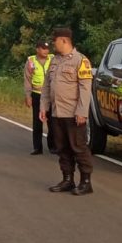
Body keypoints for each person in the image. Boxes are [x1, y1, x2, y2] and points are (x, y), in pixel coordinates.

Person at [39, 27, 95, 195]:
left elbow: (85, 89)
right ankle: (67, 179)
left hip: (73, 114)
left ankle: (86, 182)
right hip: (57, 113)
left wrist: (82, 112)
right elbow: (47, 86)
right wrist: (44, 107)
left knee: (78, 147)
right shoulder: (54, 61)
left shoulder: (81, 60)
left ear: (64, 40)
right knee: (62, 148)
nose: (53, 44)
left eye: (54, 41)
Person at [22, 40, 55, 155]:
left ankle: (53, 146)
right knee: (37, 122)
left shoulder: (53, 59)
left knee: (52, 121)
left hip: (50, 95)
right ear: (37, 49)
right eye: (43, 48)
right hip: (37, 94)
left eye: (47, 48)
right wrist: (28, 96)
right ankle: (37, 147)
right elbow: (27, 79)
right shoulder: (31, 61)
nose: (46, 50)